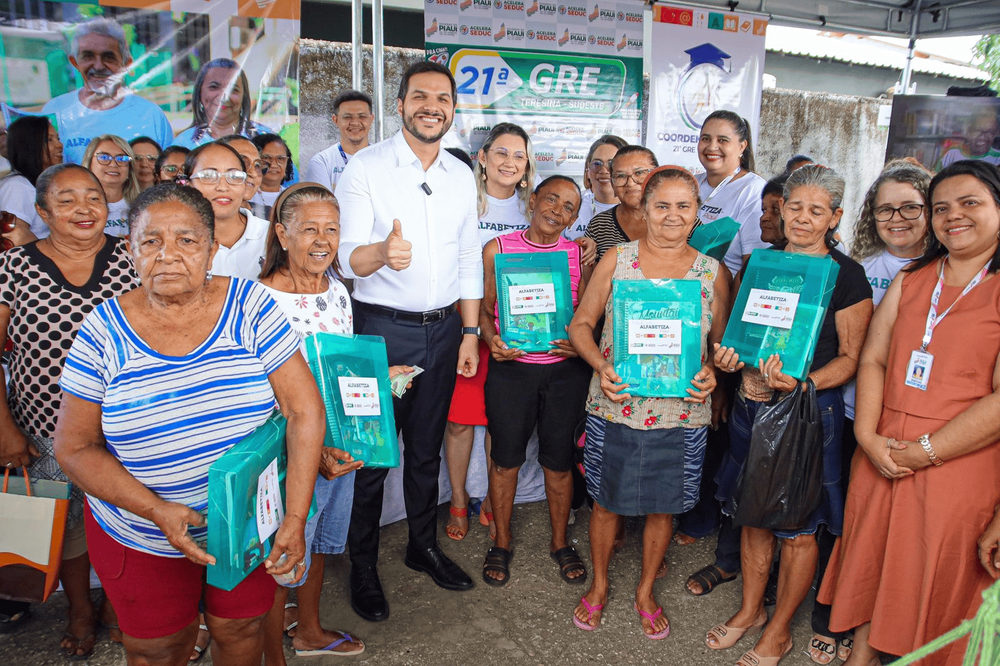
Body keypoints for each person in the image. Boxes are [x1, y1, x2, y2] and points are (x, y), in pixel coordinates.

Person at [53, 183, 323, 666]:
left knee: (240, 631)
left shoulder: (251, 306)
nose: (169, 255)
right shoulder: (102, 331)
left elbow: (304, 410)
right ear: (130, 250)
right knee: (157, 650)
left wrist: (295, 518)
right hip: (141, 534)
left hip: (245, 524)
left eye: (187, 240)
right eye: (151, 241)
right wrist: (156, 510)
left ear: (212, 248)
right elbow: (74, 449)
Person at [818, 160, 1000, 666]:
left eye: (970, 203)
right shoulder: (915, 276)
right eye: (942, 207)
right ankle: (862, 655)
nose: (953, 216)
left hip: (957, 459)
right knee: (875, 561)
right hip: (882, 447)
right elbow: (873, 358)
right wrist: (871, 437)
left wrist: (925, 452)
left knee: (934, 576)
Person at [707, 164, 872, 666]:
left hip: (803, 414)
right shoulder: (761, 262)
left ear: (834, 216)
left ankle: (778, 631)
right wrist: (726, 358)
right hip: (749, 406)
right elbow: (738, 338)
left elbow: (851, 358)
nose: (801, 218)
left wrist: (803, 384)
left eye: (815, 210)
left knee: (798, 527)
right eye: (793, 207)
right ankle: (752, 610)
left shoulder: (846, 275)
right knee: (753, 514)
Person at [335, 60, 483, 622]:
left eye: (442, 98)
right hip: (381, 329)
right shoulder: (367, 168)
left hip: (446, 330)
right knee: (373, 456)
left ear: (452, 108)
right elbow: (347, 255)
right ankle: (364, 563)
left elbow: (469, 256)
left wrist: (470, 330)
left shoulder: (459, 174)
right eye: (420, 96)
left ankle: (423, 547)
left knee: (425, 449)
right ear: (399, 105)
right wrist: (381, 254)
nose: (432, 106)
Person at [568, 166, 729, 637]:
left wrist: (713, 372)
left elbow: (721, 349)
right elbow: (580, 326)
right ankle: (599, 586)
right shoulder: (617, 260)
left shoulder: (712, 272)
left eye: (684, 206)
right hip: (617, 403)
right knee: (605, 501)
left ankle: (644, 591)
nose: (673, 215)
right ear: (645, 208)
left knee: (664, 505)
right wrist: (602, 366)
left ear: (698, 212)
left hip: (682, 411)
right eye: (662, 205)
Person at [0, 163, 138, 657]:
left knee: (125, 520)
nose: (84, 209)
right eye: (66, 200)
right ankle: (80, 609)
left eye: (94, 198)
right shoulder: (16, 266)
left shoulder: (131, 259)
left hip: (125, 427)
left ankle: (119, 607)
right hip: (44, 429)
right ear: (41, 212)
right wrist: (5, 428)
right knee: (70, 524)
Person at [806, 160, 932, 664]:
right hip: (850, 412)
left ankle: (881, 626)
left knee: (897, 537)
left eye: (909, 207)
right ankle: (833, 615)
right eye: (884, 210)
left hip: (910, 423)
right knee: (841, 520)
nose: (896, 218)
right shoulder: (863, 269)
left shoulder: (946, 273)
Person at [258, 183, 370, 662]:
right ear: (283, 234)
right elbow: (261, 395)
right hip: (290, 452)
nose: (322, 240)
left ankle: (308, 629)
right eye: (309, 229)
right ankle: (270, 654)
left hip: (336, 451)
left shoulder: (338, 292)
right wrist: (311, 447)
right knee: (280, 554)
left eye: (331, 229)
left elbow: (339, 373)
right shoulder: (258, 300)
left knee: (320, 543)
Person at [479, 176, 589, 585]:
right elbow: (486, 308)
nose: (557, 211)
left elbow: (592, 316)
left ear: (576, 217)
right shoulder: (499, 249)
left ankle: (560, 542)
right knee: (506, 459)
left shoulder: (581, 255)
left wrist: (582, 347)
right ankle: (502, 542)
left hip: (565, 373)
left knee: (558, 462)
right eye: (551, 200)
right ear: (533, 201)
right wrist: (492, 341)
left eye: (568, 207)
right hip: (512, 370)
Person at [445, 122, 536, 542]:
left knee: (500, 425)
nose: (510, 162)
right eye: (501, 152)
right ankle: (460, 499)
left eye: (519, 155)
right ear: (482, 157)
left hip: (513, 336)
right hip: (464, 330)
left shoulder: (532, 210)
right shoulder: (462, 203)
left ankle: (491, 501)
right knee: (461, 423)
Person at [42, 18, 172, 164]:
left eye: (108, 57)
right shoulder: (54, 111)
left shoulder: (151, 116)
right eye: (88, 56)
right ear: (75, 62)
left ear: (126, 64)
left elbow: (166, 173)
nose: (98, 66)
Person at [180, 141, 268, 281]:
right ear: (189, 185)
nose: (222, 187)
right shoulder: (175, 240)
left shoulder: (271, 237)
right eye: (208, 176)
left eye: (234, 177)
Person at [695, 110, 768, 277]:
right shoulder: (689, 183)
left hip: (724, 291)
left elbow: (752, 266)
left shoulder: (752, 190)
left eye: (722, 140)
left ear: (742, 146)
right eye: (705, 138)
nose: (712, 147)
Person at [172, 59, 272, 149]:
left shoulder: (266, 140)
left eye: (233, 89)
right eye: (214, 87)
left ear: (244, 96)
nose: (224, 96)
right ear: (199, 94)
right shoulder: (183, 144)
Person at [583, 145, 659, 262]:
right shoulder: (598, 226)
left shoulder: (678, 219)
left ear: (656, 176)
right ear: (612, 185)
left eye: (639, 173)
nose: (630, 183)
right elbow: (588, 276)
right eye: (620, 176)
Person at [0, 115, 62, 241]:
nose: (59, 145)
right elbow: (14, 235)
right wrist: (51, 256)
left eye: (58, 138)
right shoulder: (18, 186)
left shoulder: (45, 182)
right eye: (49, 140)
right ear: (30, 146)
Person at [304, 90, 373, 191]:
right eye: (347, 117)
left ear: (371, 119)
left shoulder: (384, 159)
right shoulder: (322, 162)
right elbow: (321, 205)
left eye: (362, 116)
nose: (355, 122)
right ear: (335, 120)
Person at [565, 134, 627, 240]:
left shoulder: (639, 210)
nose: (603, 170)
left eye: (611, 163)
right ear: (587, 170)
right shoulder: (572, 205)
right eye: (597, 163)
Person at [82, 135, 139, 237]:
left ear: (129, 168)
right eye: (104, 157)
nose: (113, 164)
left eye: (121, 158)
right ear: (89, 163)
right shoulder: (78, 208)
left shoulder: (142, 206)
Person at [220, 134, 268, 219]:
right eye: (242, 162)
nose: (253, 173)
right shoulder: (196, 216)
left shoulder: (272, 216)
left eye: (257, 165)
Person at [252, 133, 294, 218]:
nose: (274, 165)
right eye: (266, 158)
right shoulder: (245, 196)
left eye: (280, 159)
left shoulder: (294, 197)